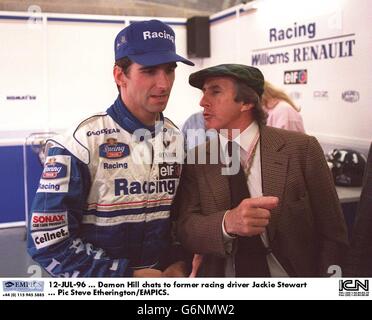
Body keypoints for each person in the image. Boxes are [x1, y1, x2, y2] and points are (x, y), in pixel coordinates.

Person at [27, 19, 194, 277]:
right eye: (149, 71)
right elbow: (47, 241)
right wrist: (125, 277)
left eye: (170, 70)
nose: (164, 84)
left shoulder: (177, 139)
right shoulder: (80, 142)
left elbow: (180, 221)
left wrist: (179, 261)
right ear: (119, 75)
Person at [174, 63, 349, 277]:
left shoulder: (301, 149)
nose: (203, 101)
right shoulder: (198, 158)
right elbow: (185, 228)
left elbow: (333, 233)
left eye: (215, 91)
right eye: (203, 92)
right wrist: (226, 223)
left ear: (246, 102)